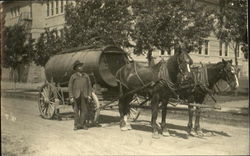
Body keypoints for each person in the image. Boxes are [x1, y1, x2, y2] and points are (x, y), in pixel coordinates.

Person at [68, 60, 92, 130]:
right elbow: (70, 87)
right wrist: (71, 97)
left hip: (84, 95)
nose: (81, 67)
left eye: (81, 66)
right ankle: (76, 125)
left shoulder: (86, 76)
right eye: (79, 66)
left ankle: (83, 124)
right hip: (76, 95)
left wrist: (89, 95)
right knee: (76, 111)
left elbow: (89, 86)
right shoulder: (73, 76)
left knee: (84, 110)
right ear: (76, 68)